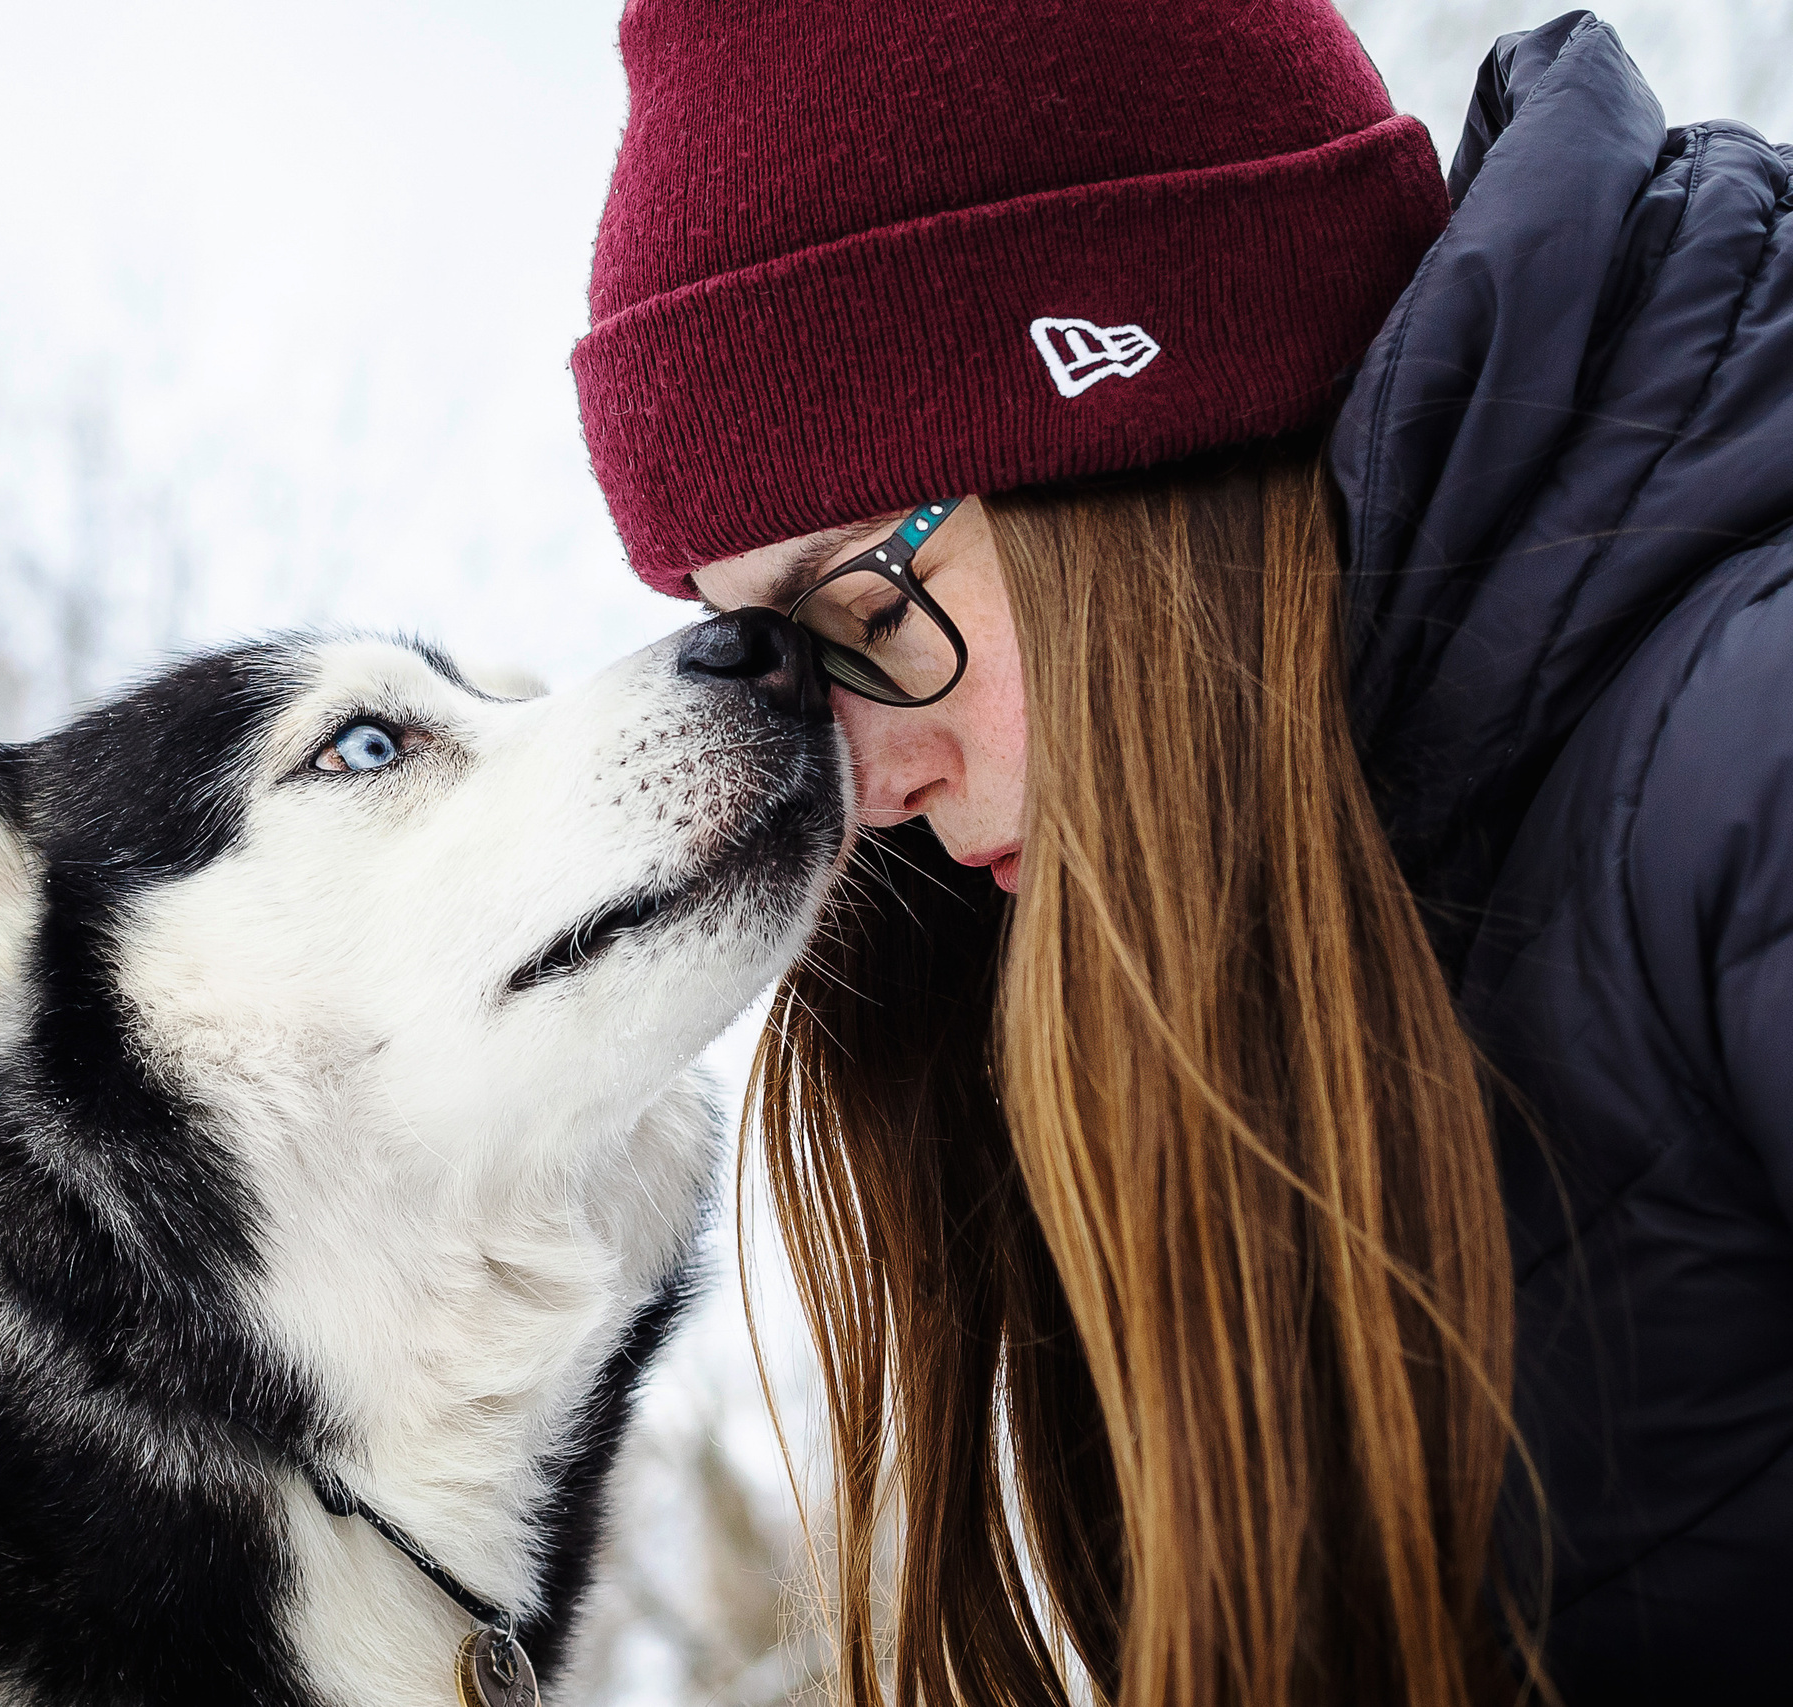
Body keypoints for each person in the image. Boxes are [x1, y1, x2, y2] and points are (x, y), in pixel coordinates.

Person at [570, 5, 1793, 1705]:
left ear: (1136, 418)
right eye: (784, 668)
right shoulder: (1302, 924)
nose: (872, 787)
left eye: (871, 612)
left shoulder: (1750, 761)